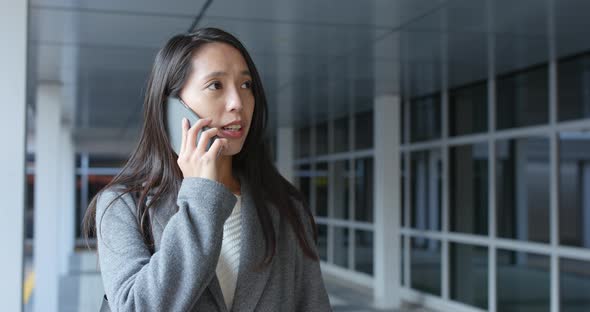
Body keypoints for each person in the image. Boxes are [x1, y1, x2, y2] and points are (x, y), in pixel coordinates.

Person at [82, 27, 331, 311]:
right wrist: (201, 195)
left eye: (246, 85)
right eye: (216, 85)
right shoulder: (123, 206)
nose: (238, 103)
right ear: (172, 107)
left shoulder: (285, 206)